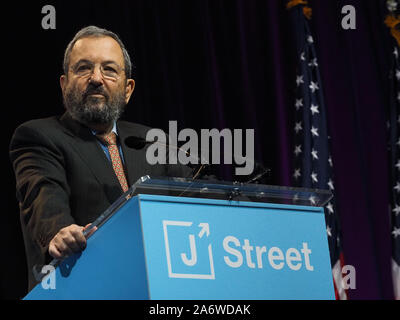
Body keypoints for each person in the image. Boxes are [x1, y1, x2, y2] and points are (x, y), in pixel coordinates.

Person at [9, 26, 193, 292]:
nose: (96, 78)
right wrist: (58, 231)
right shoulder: (39, 136)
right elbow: (42, 194)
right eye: (83, 68)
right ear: (64, 84)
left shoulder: (153, 140)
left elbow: (196, 193)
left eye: (109, 69)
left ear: (128, 88)